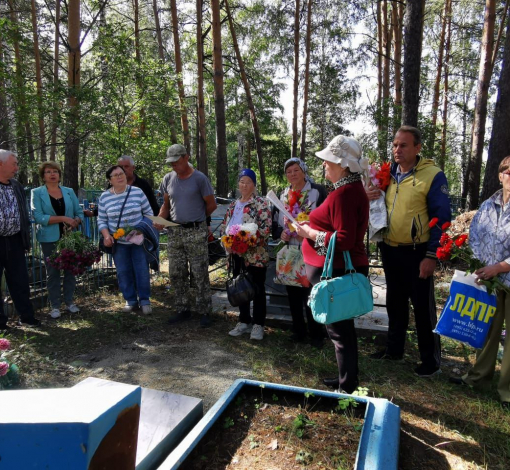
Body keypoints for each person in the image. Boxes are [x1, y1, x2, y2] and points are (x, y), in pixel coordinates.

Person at [367, 126, 451, 377]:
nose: (397, 150)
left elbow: (442, 218)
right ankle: (394, 350)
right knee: (394, 303)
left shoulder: (432, 176)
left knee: (423, 309)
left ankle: (430, 361)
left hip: (418, 253)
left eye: (403, 145)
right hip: (391, 249)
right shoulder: (387, 174)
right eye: (395, 145)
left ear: (417, 148)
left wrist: (431, 256)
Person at [294, 135, 369, 394]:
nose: (324, 164)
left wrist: (309, 234)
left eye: (328, 160)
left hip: (337, 272)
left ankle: (347, 388)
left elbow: (345, 240)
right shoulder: (346, 190)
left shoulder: (345, 194)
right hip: (335, 268)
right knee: (341, 331)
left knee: (340, 333)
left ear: (342, 164)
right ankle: (345, 379)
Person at [449, 156, 510, 408]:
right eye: (508, 171)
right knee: (487, 329)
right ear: (500, 175)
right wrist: (478, 266)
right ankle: (478, 377)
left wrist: (500, 267)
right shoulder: (487, 205)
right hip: (489, 280)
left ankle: (507, 392)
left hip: (505, 274)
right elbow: (474, 237)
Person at [154, 144, 217, 327]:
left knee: (199, 273)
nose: (174, 166)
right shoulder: (168, 179)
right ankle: (182, 308)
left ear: (186, 157)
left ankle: (204, 310)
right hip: (175, 232)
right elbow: (166, 206)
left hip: (196, 232)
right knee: (176, 272)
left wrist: (197, 219)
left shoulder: (199, 179)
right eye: (171, 163)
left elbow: (211, 205)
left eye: (176, 162)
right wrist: (159, 219)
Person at [272, 157, 328, 347]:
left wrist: (311, 232)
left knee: (312, 291)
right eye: (289, 172)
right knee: (292, 291)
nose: (292, 174)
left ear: (304, 171)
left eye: (296, 170)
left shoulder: (317, 191)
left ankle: (316, 334)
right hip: (290, 250)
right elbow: (276, 222)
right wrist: (282, 234)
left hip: (311, 248)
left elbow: (326, 219)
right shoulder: (283, 194)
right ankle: (298, 331)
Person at [221, 169, 272, 340]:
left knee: (257, 289)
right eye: (242, 181)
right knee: (240, 288)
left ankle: (258, 325)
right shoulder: (233, 205)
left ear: (254, 185)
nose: (244, 185)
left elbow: (265, 229)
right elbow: (224, 227)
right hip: (235, 255)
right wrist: (227, 243)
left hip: (255, 254)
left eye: (248, 182)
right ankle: (244, 321)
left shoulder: (261, 203)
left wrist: (245, 244)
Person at [31, 162, 84, 319]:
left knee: (70, 270)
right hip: (49, 238)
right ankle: (55, 306)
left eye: (55, 171)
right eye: (48, 172)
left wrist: (75, 221)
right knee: (52, 272)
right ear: (43, 176)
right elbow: (39, 217)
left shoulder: (68, 192)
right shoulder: (37, 192)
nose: (52, 174)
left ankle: (69, 302)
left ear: (59, 175)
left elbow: (79, 212)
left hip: (70, 238)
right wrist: (63, 218)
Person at [98, 165, 153, 314]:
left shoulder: (137, 192)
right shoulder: (104, 197)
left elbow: (148, 213)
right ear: (110, 180)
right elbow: (102, 220)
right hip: (118, 243)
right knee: (123, 271)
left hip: (138, 240)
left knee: (141, 270)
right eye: (115, 175)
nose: (120, 177)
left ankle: (145, 300)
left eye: (121, 173)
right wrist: (106, 235)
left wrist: (140, 228)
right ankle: (130, 301)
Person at [0, 149, 40, 329]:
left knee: (20, 280)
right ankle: (1, 323)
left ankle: (27, 317)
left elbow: (23, 213)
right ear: (1, 164)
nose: (17, 167)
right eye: (14, 163)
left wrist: (25, 239)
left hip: (15, 240)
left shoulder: (16, 185)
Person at [84, 155, 159, 217]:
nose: (123, 169)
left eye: (126, 166)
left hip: (140, 229)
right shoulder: (113, 185)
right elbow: (106, 204)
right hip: (117, 230)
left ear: (133, 168)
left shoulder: (142, 185)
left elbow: (152, 206)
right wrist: (93, 213)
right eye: (120, 167)